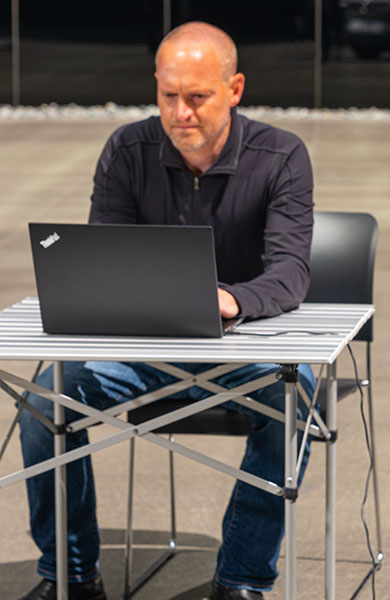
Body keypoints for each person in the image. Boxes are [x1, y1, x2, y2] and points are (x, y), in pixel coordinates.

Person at [18, 22, 315, 600]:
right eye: (168, 95)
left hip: (240, 351)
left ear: (234, 89)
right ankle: (72, 579)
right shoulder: (127, 150)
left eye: (197, 97)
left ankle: (242, 581)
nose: (181, 112)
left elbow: (290, 272)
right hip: (143, 353)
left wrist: (231, 299)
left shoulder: (281, 156)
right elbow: (103, 257)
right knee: (40, 407)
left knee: (294, 393)